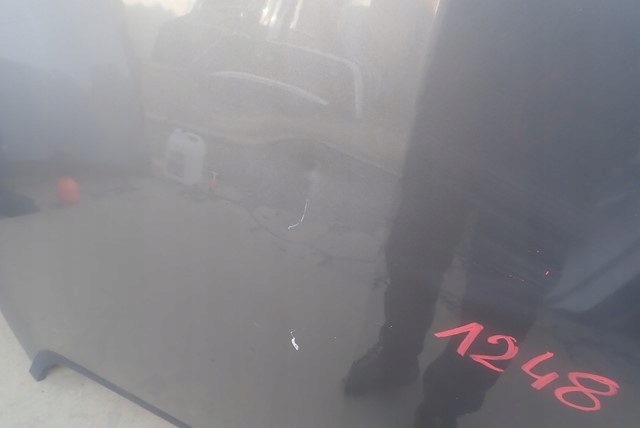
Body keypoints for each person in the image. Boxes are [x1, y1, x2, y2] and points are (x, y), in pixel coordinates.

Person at [342, 1, 640, 427]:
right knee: (416, 238)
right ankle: (397, 352)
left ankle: (449, 399)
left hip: (576, 105)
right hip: (468, 80)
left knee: (511, 285)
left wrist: (611, 146)